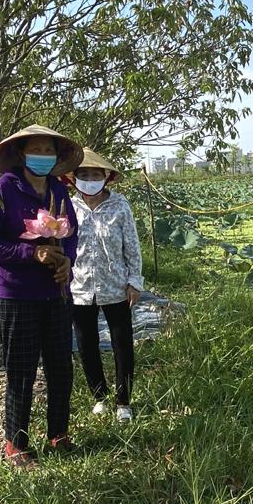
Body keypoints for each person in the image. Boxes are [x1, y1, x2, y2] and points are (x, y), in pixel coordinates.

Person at [0, 125, 83, 469]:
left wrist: (67, 260)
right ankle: (16, 442)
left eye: (48, 151)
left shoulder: (58, 189)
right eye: (36, 150)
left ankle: (59, 432)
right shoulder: (4, 189)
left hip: (56, 292)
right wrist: (30, 254)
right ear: (22, 155)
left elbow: (71, 233)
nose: (43, 156)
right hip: (17, 295)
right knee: (21, 370)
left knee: (60, 367)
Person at [67, 149, 144, 423]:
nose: (89, 180)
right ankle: (99, 396)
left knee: (122, 342)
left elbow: (132, 246)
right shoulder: (67, 205)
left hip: (115, 285)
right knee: (86, 343)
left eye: (95, 175)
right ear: (74, 178)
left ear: (106, 177)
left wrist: (134, 281)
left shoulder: (120, 206)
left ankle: (124, 401)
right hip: (79, 286)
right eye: (84, 175)